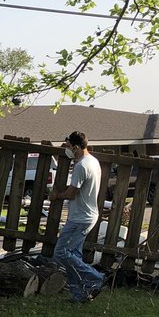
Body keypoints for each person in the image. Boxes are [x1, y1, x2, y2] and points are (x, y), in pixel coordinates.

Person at [48, 130, 105, 303]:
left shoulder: (81, 166)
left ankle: (95, 277)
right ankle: (79, 295)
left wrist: (57, 195)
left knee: (61, 252)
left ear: (77, 148)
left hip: (80, 218)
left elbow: (72, 193)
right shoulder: (92, 161)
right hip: (87, 215)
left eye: (68, 146)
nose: (67, 149)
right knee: (73, 255)